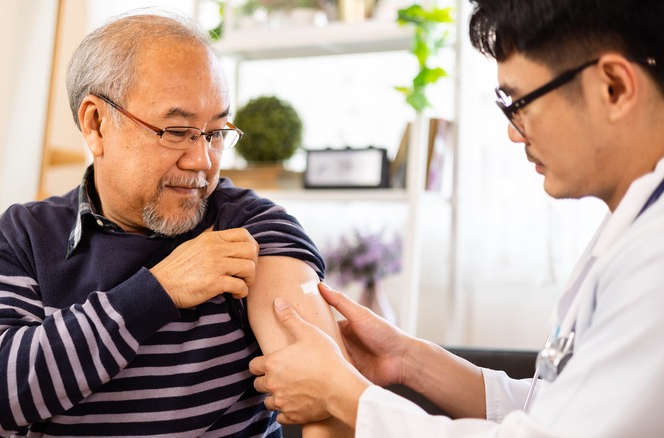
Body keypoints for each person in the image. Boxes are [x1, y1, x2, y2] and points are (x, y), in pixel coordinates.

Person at [249, 0, 664, 436]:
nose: (512, 130)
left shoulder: (653, 260)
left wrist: (344, 393)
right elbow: (561, 406)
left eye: (518, 101)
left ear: (613, 87)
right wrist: (410, 360)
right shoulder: (636, 224)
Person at [0, 8, 351, 437]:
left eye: (215, 133)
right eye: (176, 131)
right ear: (96, 124)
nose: (203, 161)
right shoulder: (25, 236)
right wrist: (158, 290)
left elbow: (327, 404)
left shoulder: (251, 226)